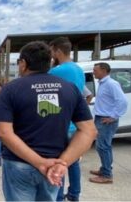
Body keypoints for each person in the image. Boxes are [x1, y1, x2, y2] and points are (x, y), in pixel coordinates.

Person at [0, 41, 97, 201]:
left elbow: (3, 132)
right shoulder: (70, 88)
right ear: (49, 62)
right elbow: (89, 130)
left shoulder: (11, 89)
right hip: (55, 165)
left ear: (23, 63)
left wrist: (40, 163)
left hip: (19, 164)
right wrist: (63, 163)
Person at [49, 37, 85, 202]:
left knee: (59, 163)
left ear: (57, 51)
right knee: (73, 162)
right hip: (75, 124)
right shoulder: (79, 70)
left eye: (51, 52)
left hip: (62, 124)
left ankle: (58, 197)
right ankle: (74, 194)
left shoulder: (58, 71)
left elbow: (39, 79)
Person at [89, 62, 127, 184]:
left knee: (103, 147)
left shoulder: (111, 84)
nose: (93, 72)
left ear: (104, 70)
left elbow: (122, 101)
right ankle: (105, 169)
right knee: (105, 146)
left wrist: (113, 116)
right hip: (101, 118)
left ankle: (106, 175)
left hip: (106, 120)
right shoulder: (103, 83)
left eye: (95, 70)